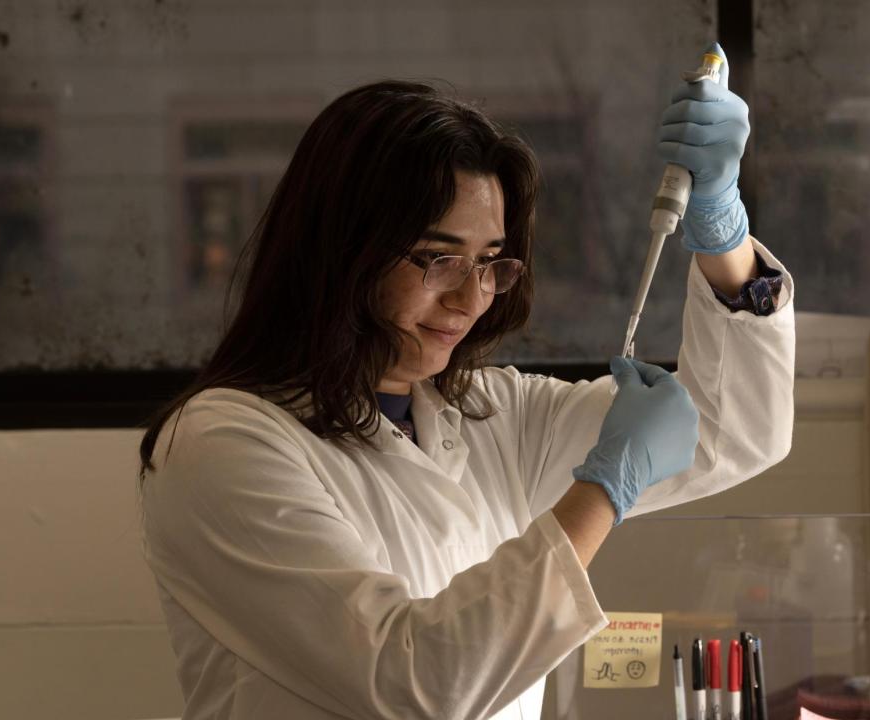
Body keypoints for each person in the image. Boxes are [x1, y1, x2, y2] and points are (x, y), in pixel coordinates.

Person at [139, 43, 794, 720]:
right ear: (340, 250)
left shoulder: (488, 413)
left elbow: (732, 430)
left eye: (489, 262)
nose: (471, 298)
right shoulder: (219, 445)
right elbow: (414, 684)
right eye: (438, 258)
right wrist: (603, 488)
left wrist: (722, 230)